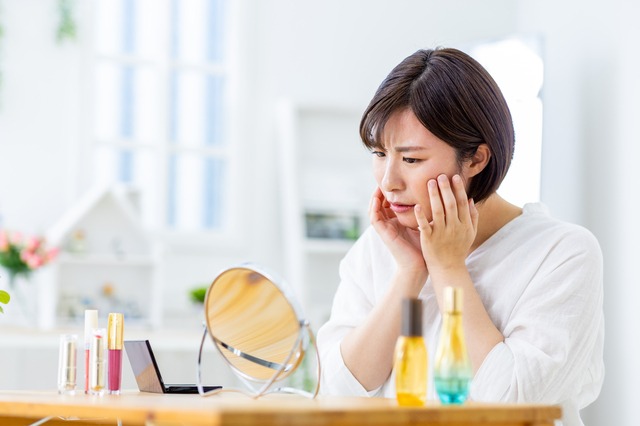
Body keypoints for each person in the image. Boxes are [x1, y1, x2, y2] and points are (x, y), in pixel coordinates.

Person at [316, 47, 604, 426]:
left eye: (411, 159)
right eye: (379, 153)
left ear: (476, 159)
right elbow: (336, 391)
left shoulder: (562, 252)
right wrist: (410, 274)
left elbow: (512, 402)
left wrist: (448, 268)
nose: (389, 181)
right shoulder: (379, 246)